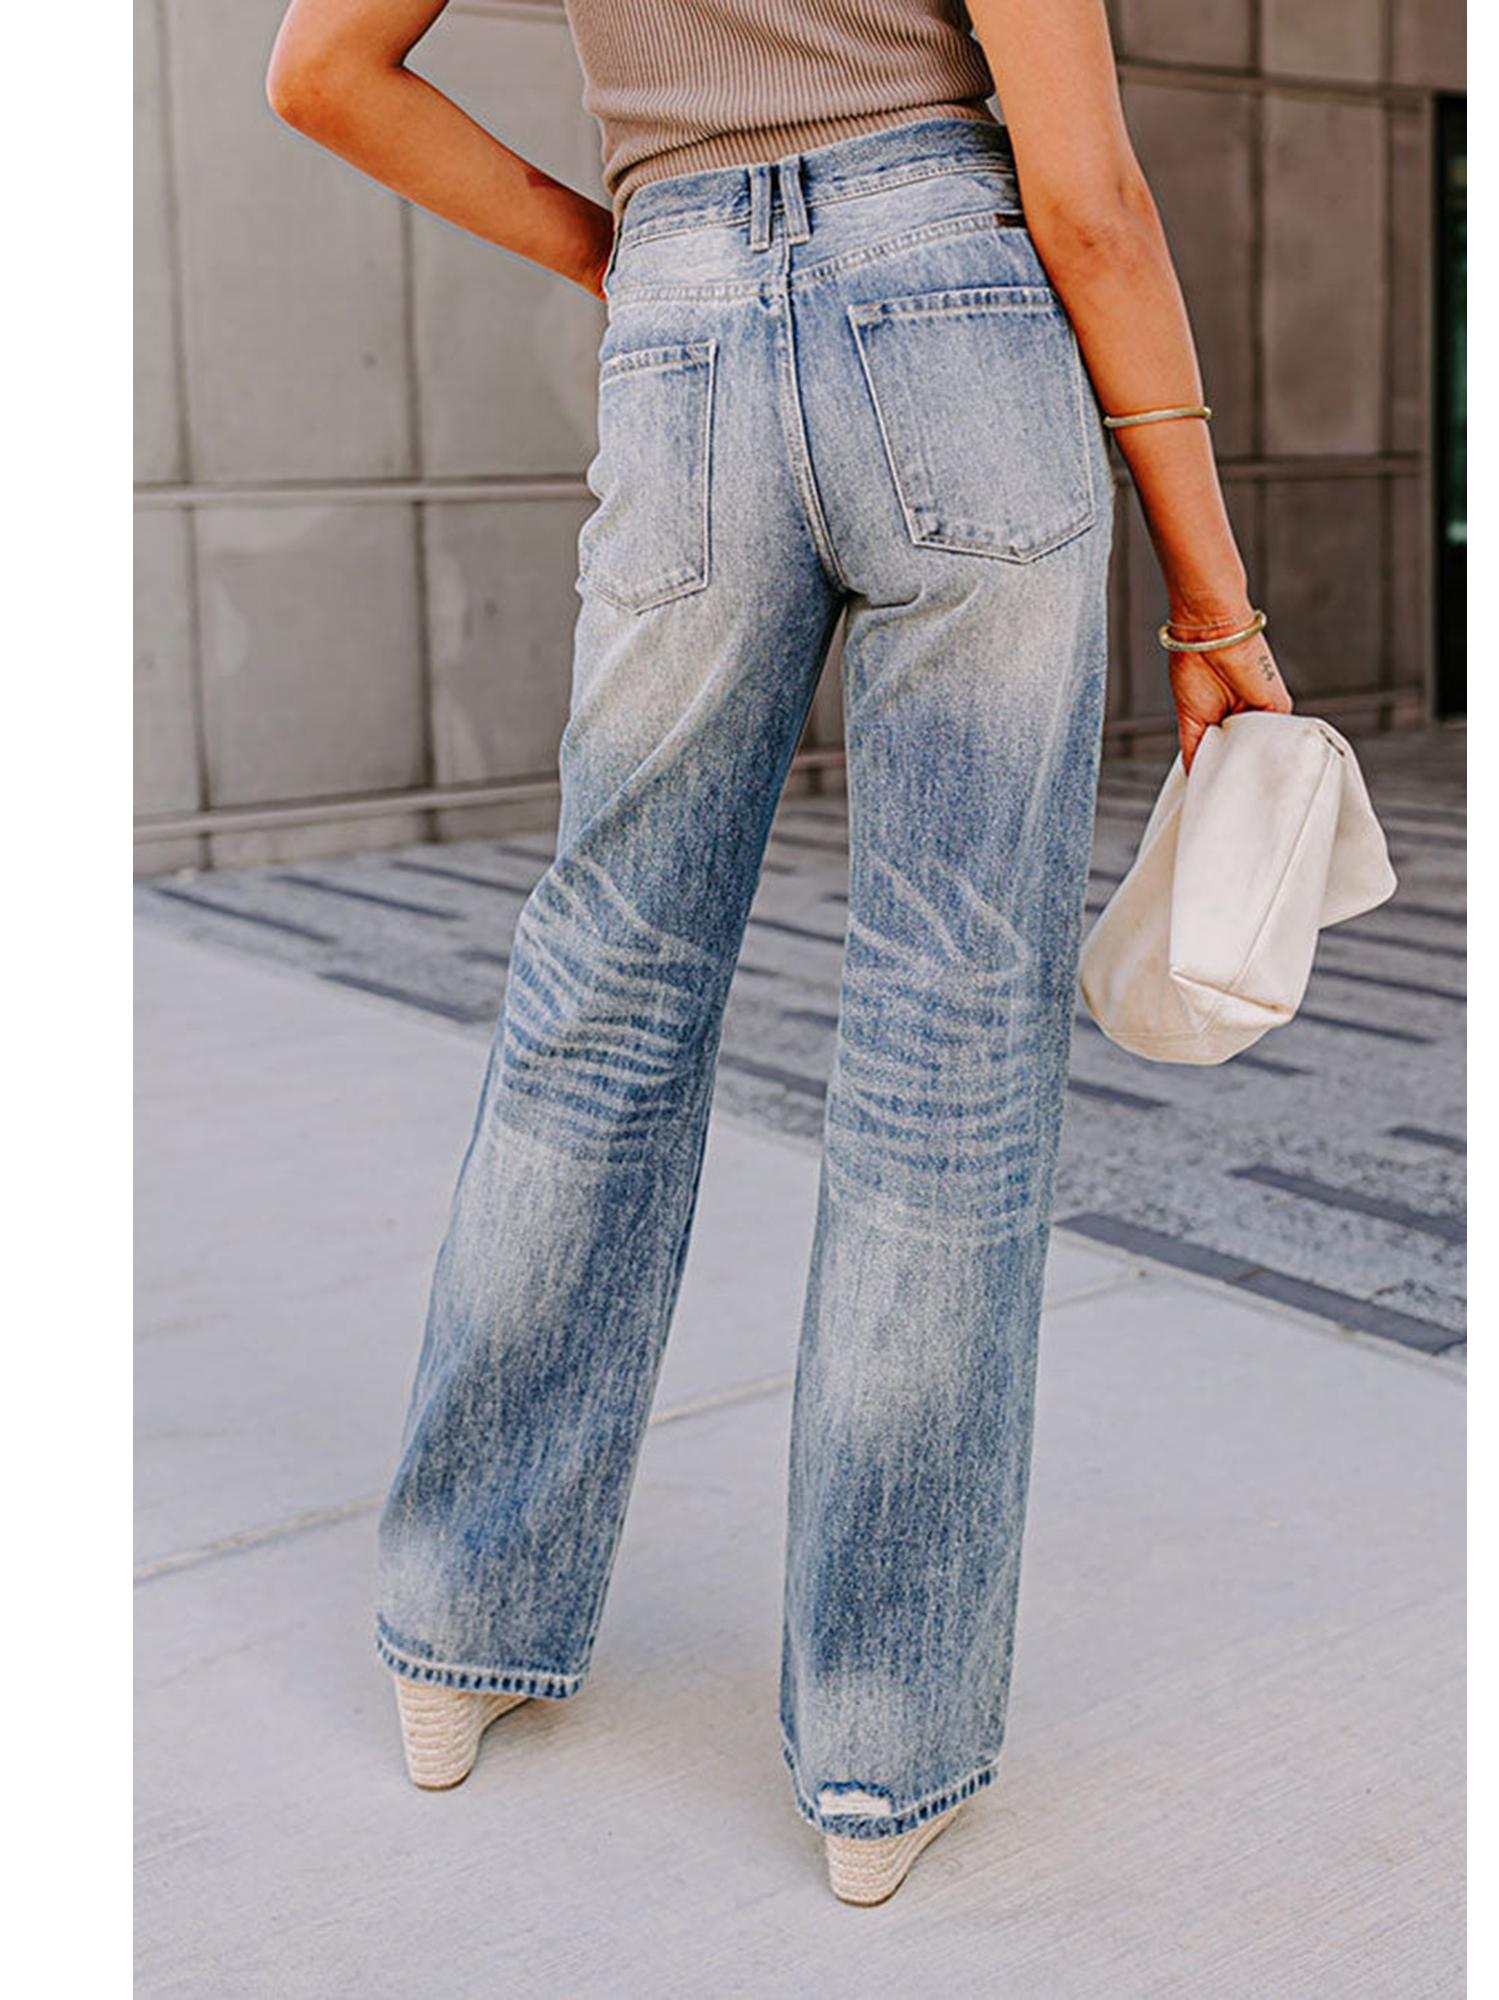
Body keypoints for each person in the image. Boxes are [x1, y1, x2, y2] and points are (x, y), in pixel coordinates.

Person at [265, 0, 1293, 1906]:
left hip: (680, 335)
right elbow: (1087, 201)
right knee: (949, 1029)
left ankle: (455, 1637)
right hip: (955, 306)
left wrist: (624, 248)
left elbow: (323, 73)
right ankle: (881, 1764)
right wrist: (1214, 600)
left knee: (601, 992)